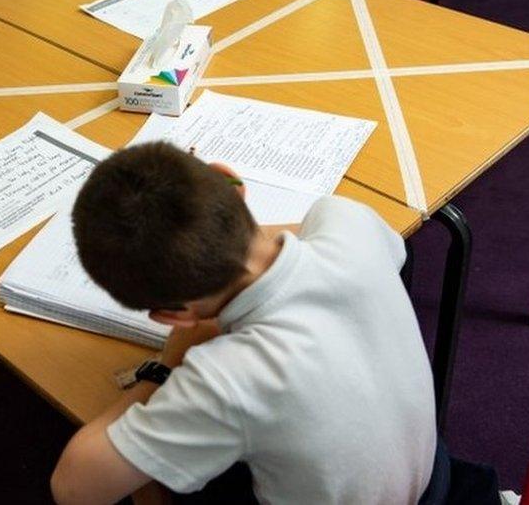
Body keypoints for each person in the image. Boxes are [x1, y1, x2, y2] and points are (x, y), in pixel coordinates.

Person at [51, 142, 437, 504]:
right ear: (230, 181)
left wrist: (164, 368)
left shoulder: (225, 381)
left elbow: (73, 488)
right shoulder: (346, 220)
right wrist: (214, 232)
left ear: (174, 316)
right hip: (432, 476)